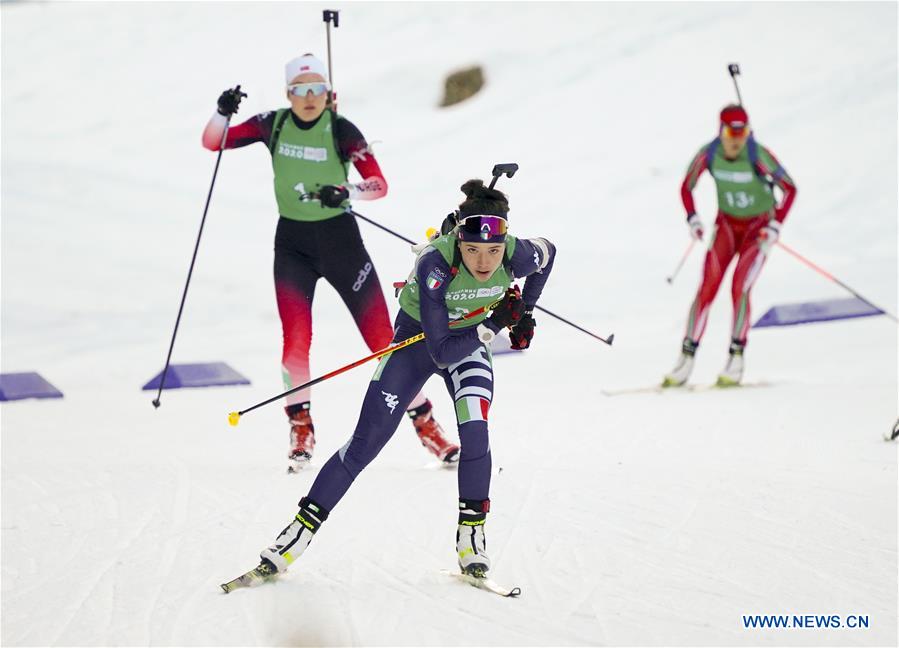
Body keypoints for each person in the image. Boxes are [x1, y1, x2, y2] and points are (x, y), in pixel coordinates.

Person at [247, 179, 556, 581]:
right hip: (421, 342)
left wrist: (526, 311)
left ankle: (471, 536)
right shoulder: (435, 264)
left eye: (494, 252)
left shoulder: (520, 253)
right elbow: (441, 351)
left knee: (476, 431)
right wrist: (498, 321)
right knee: (365, 443)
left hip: (470, 344)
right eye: (473, 251)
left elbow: (550, 255)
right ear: (458, 241)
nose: (484, 263)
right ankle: (297, 533)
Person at [201, 54, 458, 471]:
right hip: (293, 248)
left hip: (343, 247)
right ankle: (300, 427)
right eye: (300, 90)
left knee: (383, 342)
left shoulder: (340, 129)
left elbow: (378, 185)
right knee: (295, 343)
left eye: (317, 89)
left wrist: (347, 192)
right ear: (288, 94)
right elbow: (214, 141)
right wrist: (222, 112)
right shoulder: (273, 123)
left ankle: (426, 423)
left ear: (328, 93)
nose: (308, 97)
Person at [664, 104, 797, 387]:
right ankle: (685, 361)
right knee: (707, 287)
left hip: (758, 230)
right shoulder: (710, 154)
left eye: (743, 132)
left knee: (740, 286)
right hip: (726, 226)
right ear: (721, 131)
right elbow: (686, 186)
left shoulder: (757, 154)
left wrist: (776, 224)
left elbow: (790, 188)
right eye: (731, 132)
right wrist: (693, 219)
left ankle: (736, 359)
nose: (737, 139)